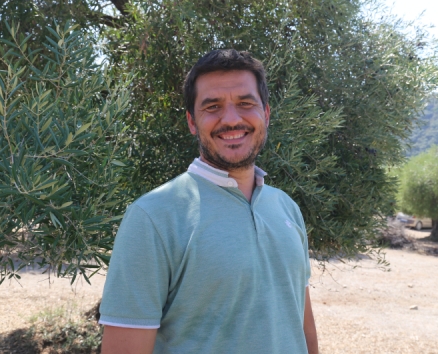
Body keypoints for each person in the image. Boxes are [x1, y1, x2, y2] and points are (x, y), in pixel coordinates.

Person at [99, 49, 319, 354]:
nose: (231, 119)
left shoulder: (286, 207)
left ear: (265, 114)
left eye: (245, 103)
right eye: (212, 106)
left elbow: (301, 324)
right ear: (192, 121)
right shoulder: (152, 217)